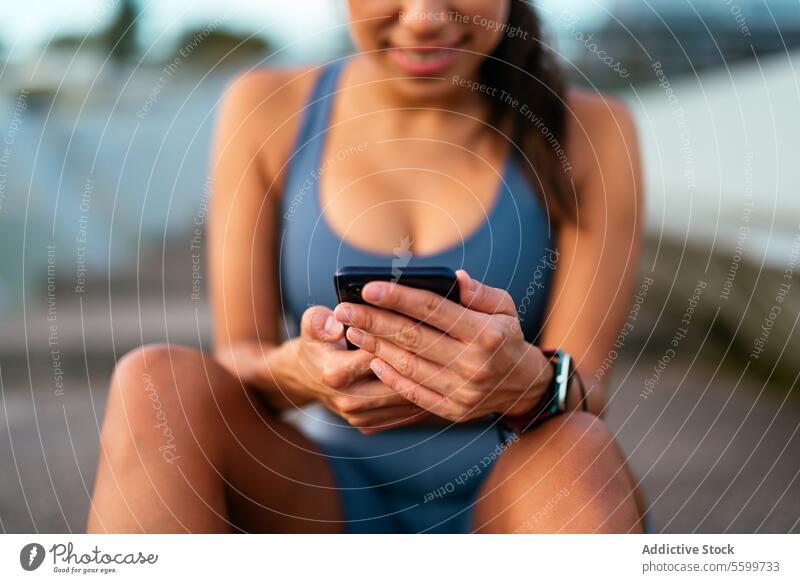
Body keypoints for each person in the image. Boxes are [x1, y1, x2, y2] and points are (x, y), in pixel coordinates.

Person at [88, 0, 644, 533]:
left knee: (581, 446)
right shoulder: (268, 108)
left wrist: (531, 383)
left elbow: (587, 384)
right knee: (152, 385)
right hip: (317, 493)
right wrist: (299, 372)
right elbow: (237, 355)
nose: (425, 18)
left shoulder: (593, 131)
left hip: (520, 483)